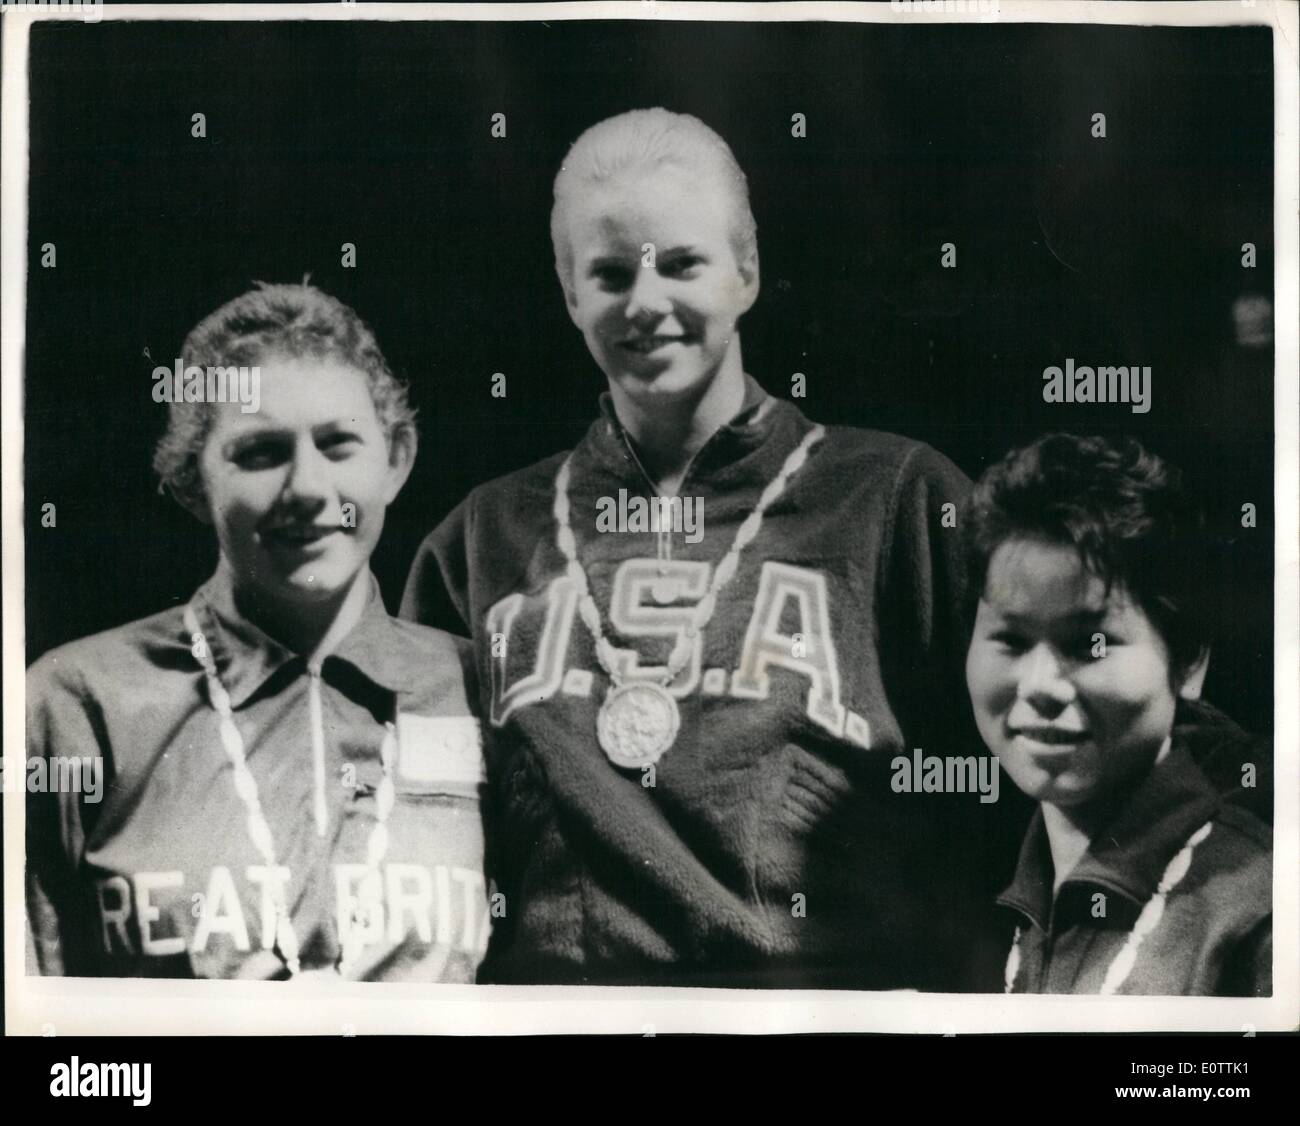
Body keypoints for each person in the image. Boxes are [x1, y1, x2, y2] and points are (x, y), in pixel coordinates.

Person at [401, 108, 1021, 988]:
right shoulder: (481, 534)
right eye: (610, 274)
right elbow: (415, 826)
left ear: (747, 270)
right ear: (570, 293)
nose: (645, 303)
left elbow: (1059, 746)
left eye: (682, 263)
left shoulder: (897, 496)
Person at [26, 282, 490, 981]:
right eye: (260, 452)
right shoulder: (77, 705)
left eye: (339, 444)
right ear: (190, 480)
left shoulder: (479, 689)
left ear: (395, 459)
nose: (306, 486)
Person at [964, 433, 1271, 995]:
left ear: (1188, 662)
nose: (1040, 686)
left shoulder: (1261, 919)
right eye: (1010, 638)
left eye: (1091, 645)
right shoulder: (1016, 899)